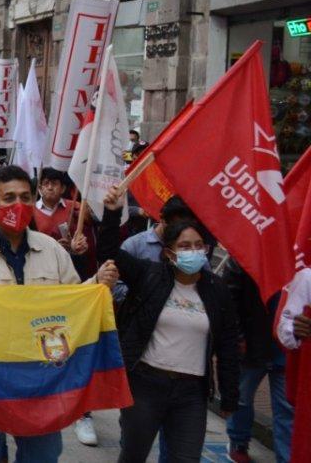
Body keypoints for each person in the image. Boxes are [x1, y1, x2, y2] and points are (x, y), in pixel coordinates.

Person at [0, 165, 118, 463]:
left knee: (42, 455)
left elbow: (71, 302)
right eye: (9, 198)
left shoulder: (53, 251)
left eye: (25, 196)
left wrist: (96, 285)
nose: (18, 205)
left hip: (40, 378)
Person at [93, 187, 240, 463]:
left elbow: (228, 345)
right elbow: (109, 252)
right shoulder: (149, 277)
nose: (193, 252)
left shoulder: (216, 290)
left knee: (185, 458)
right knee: (133, 455)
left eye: (198, 246)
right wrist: (112, 213)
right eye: (185, 246)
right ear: (170, 254)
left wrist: (230, 396)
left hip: (191, 394)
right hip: (146, 385)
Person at [223, 260, 291, 463]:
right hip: (252, 342)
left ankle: (286, 457)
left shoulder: (298, 257)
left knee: (286, 406)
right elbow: (230, 297)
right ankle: (238, 443)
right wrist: (238, 335)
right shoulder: (246, 252)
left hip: (285, 345)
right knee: (242, 398)